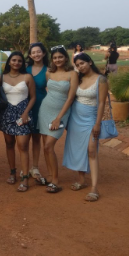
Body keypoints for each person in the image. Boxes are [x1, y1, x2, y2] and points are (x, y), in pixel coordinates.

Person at [63, 53, 108, 202]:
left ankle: (94, 188)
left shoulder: (101, 79)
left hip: (90, 119)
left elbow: (102, 103)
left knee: (91, 150)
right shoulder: (79, 78)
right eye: (77, 65)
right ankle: (81, 180)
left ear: (89, 61)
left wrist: (97, 123)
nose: (80, 67)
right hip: (75, 118)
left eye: (82, 63)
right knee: (78, 149)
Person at [37, 45, 78, 193]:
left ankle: (55, 180)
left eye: (60, 57)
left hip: (61, 114)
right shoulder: (49, 73)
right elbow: (49, 92)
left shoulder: (72, 74)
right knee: (45, 147)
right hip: (45, 110)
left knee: (49, 146)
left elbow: (70, 98)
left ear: (66, 58)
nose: (58, 60)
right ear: (52, 60)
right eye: (55, 58)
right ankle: (49, 176)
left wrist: (58, 118)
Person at [0, 52, 36, 192]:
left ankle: (25, 177)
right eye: (14, 60)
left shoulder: (27, 77)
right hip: (6, 113)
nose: (16, 63)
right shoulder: (2, 77)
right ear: (9, 62)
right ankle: (12, 172)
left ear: (23, 63)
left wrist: (25, 113)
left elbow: (33, 97)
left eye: (19, 61)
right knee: (9, 144)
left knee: (23, 145)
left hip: (22, 114)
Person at [26, 42, 49, 185]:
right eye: (33, 52)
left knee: (36, 138)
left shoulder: (48, 70)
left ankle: (34, 167)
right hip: (25, 106)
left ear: (44, 53)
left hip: (41, 106)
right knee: (23, 138)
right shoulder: (25, 69)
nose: (36, 54)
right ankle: (24, 167)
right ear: (30, 55)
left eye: (39, 52)